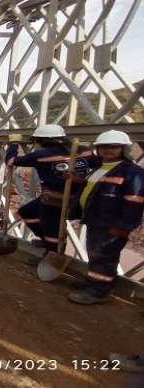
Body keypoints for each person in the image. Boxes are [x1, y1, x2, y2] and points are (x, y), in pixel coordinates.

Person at [66, 130, 144, 304]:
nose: (108, 150)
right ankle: (93, 281)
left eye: (113, 147)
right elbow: (93, 187)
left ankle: (98, 291)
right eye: (103, 147)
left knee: (105, 256)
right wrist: (78, 180)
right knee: (95, 253)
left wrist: (123, 225)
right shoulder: (100, 168)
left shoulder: (132, 172)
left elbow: (135, 201)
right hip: (96, 219)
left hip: (112, 223)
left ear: (124, 149)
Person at [5, 125, 96, 265]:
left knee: (52, 231)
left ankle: (51, 259)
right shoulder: (84, 151)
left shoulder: (41, 155)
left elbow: (11, 161)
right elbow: (98, 166)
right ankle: (46, 240)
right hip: (77, 197)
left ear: (41, 141)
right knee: (27, 211)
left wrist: (14, 144)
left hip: (54, 200)